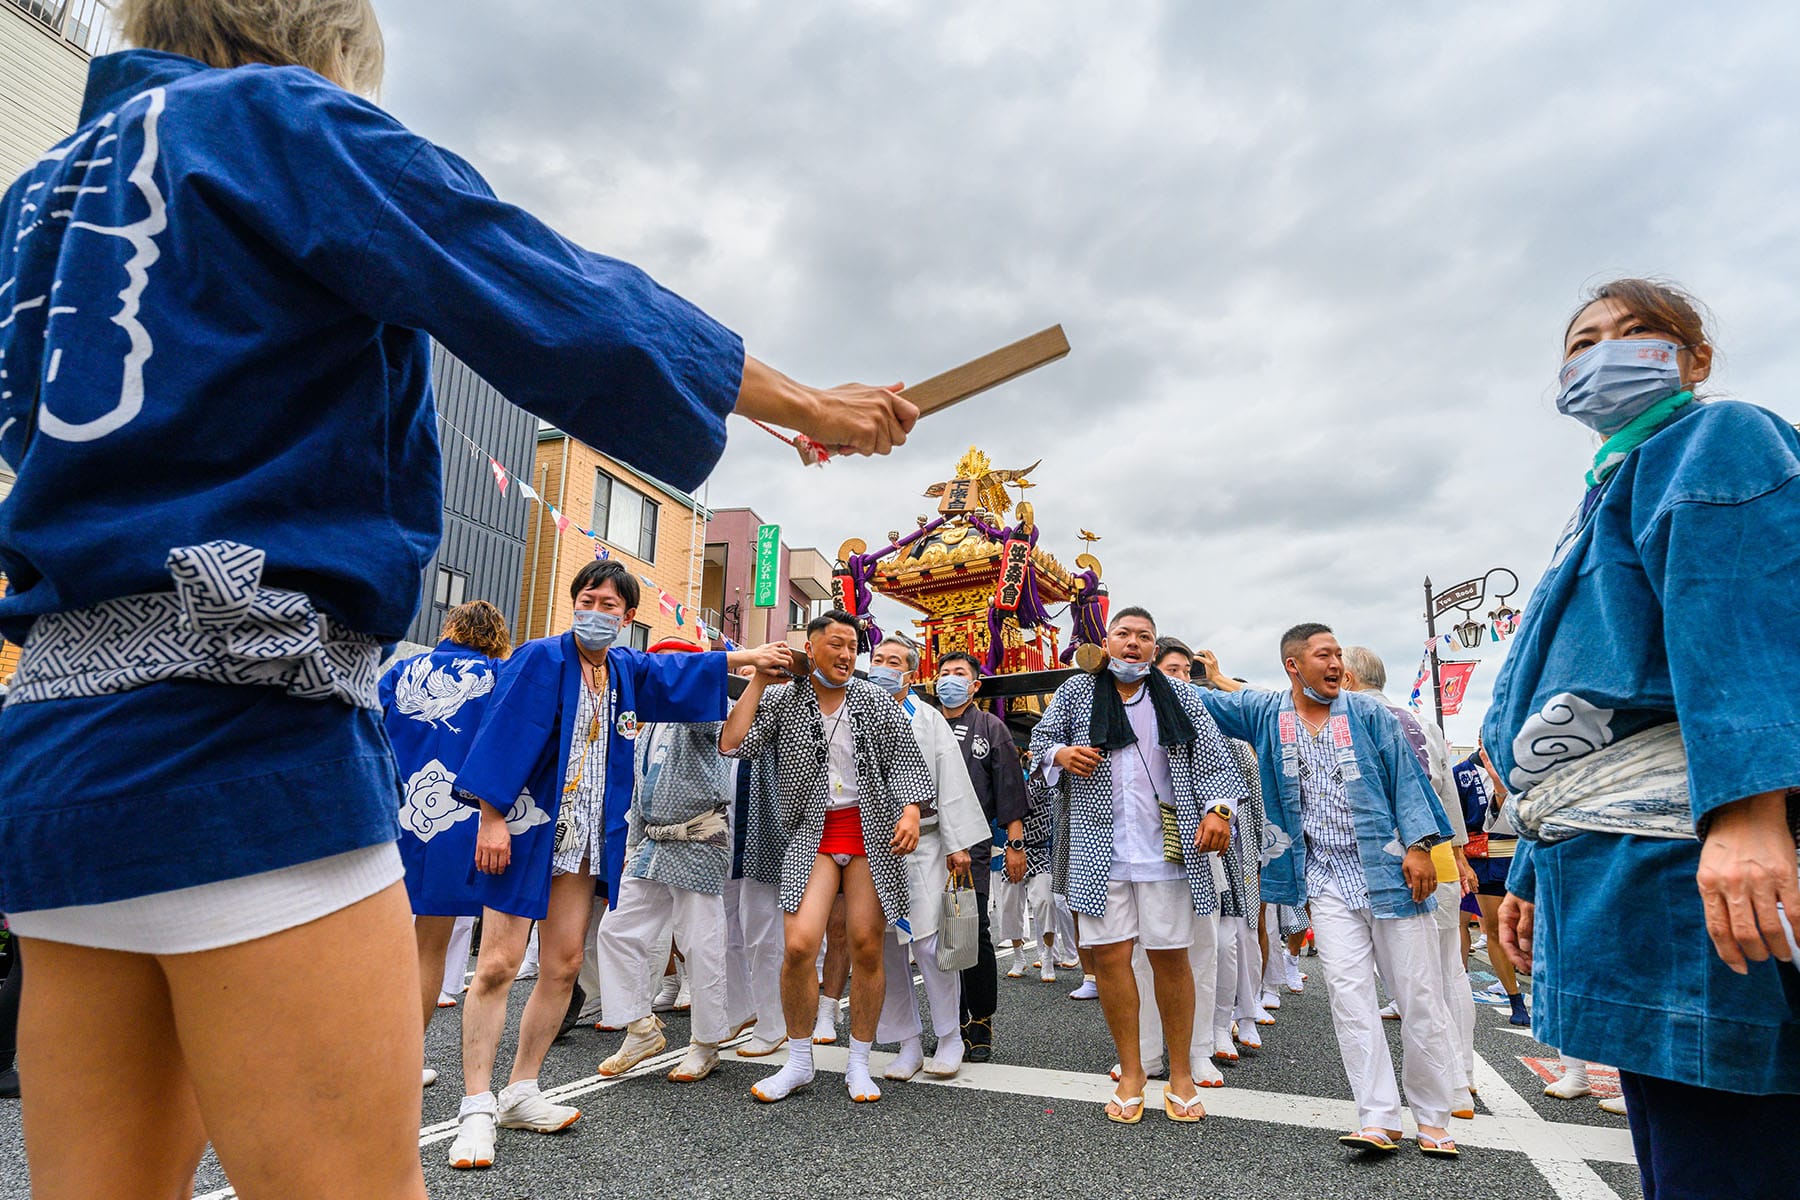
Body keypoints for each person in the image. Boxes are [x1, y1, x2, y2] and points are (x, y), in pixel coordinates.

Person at [0, 0, 920, 1191]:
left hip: (55, 752)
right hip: (242, 732)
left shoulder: (39, 196)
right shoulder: (274, 121)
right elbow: (533, 278)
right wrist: (808, 404)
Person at [1487, 279, 1800, 1199]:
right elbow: (1568, 725)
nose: (1603, 353)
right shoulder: (1605, 493)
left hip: (1693, 855)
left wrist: (1750, 812)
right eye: (1582, 341)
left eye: (1637, 333)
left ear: (1694, 359)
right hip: (1613, 860)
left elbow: (1741, 621)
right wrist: (1536, 871)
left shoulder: (1716, 438)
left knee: (1732, 1143)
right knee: (1670, 1138)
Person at [444, 561, 787, 1168]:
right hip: (526, 827)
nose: (596, 611)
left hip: (583, 841)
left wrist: (746, 659)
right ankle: (476, 1106)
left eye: (610, 605)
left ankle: (522, 1088)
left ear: (628, 618)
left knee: (565, 963)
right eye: (588, 598)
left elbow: (674, 668)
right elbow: (499, 733)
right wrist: (491, 816)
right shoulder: (538, 658)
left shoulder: (624, 669)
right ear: (572, 601)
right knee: (497, 965)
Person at [1198, 627, 1459, 1157]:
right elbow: (1197, 700)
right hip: (1325, 880)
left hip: (1388, 874)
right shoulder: (1269, 714)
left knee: (1418, 996)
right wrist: (1132, 665)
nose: (1337, 662)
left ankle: (1433, 1117)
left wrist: (1419, 845)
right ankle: (1379, 1117)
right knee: (1348, 996)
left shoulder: (1369, 714)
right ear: (1294, 666)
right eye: (1325, 654)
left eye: (1339, 654)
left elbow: (1408, 779)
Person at [1029, 607, 1245, 1125]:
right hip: (1097, 848)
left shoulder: (1181, 696)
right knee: (1108, 961)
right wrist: (1061, 755)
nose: (1133, 643)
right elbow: (1039, 742)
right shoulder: (1078, 693)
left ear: (1154, 647)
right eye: (1123, 634)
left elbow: (1216, 763)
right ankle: (1131, 1071)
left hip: (1169, 850)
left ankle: (1181, 1075)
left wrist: (1219, 810)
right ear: (1107, 641)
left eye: (1143, 637)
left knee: (1173, 959)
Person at [719, 611, 934, 1104]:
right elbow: (732, 744)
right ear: (809, 648)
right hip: (808, 834)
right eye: (835, 644)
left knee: (865, 943)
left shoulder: (876, 701)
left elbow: (905, 762)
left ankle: (859, 1063)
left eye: (852, 646)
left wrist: (909, 811)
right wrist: (757, 682)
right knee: (798, 945)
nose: (845, 654)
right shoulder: (781, 699)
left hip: (870, 831)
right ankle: (797, 1062)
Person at [594, 636, 750, 1085]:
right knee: (617, 930)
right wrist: (630, 848)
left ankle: (705, 1042)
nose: (660, 675)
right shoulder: (646, 724)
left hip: (699, 838)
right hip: (653, 842)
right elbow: (640, 793)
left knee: (701, 943)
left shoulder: (702, 706)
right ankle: (639, 1027)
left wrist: (755, 680)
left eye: (671, 665)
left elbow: (729, 739)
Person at [379, 599, 514, 1088]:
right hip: (460, 819)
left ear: (450, 628)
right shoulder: (500, 677)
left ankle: (356, 1050)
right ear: (497, 636)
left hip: (395, 810)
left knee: (373, 936)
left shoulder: (404, 670)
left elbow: (370, 728)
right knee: (429, 944)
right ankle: (403, 1062)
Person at [1343, 645, 1480, 1119]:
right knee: (1448, 971)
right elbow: (1448, 797)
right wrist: (1459, 856)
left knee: (1414, 980)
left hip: (1387, 856)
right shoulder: (1424, 722)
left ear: (1351, 680)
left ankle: (1444, 1088)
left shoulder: (1353, 718)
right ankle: (1461, 1079)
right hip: (1437, 849)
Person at [866, 638, 990, 1081]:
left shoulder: (929, 718)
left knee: (928, 944)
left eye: (893, 662)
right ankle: (907, 1041)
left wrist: (959, 845)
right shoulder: (857, 709)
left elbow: (953, 782)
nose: (882, 667)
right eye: (877, 660)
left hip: (927, 843)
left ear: (910, 673)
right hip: (872, 844)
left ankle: (950, 1036)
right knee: (881, 946)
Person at [933, 651, 1032, 1060]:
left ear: (975, 686)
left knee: (971, 933)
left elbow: (1009, 787)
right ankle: (948, 1023)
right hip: (925, 844)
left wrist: (1014, 842)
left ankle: (980, 1020)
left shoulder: (990, 727)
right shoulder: (923, 721)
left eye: (960, 674)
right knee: (934, 937)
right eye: (944, 673)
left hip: (970, 846)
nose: (950, 680)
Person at [1454, 742, 1530, 1026]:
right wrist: (1461, 859)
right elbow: (1455, 819)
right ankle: (1511, 997)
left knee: (1521, 928)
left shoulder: (1522, 767)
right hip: (1480, 859)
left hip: (1519, 857)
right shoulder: (1461, 772)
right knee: (1484, 928)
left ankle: (1522, 989)